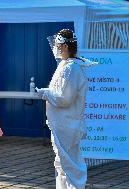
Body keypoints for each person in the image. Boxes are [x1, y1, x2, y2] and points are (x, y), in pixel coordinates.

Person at [36, 29, 96, 189]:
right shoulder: (67, 65)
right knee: (63, 164)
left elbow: (64, 98)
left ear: (64, 46)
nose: (55, 48)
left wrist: (44, 93)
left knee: (70, 166)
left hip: (67, 124)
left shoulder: (72, 68)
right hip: (63, 124)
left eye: (57, 45)